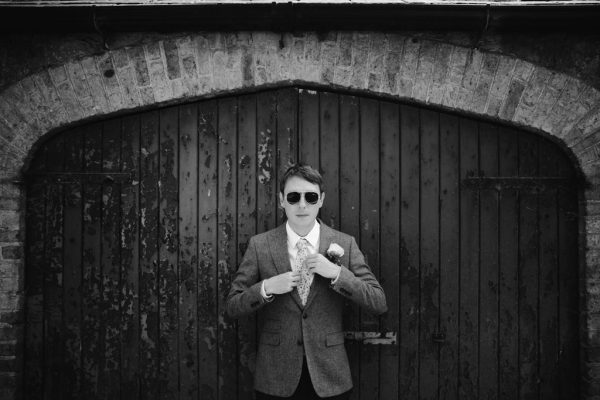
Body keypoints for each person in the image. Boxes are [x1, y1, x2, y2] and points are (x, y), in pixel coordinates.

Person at [226, 164, 387, 399]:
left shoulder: (346, 243)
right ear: (282, 200)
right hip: (275, 377)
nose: (302, 205)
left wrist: (336, 274)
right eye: (293, 197)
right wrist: (266, 288)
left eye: (310, 197)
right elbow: (232, 306)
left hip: (330, 376)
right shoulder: (260, 245)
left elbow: (378, 301)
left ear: (321, 200)